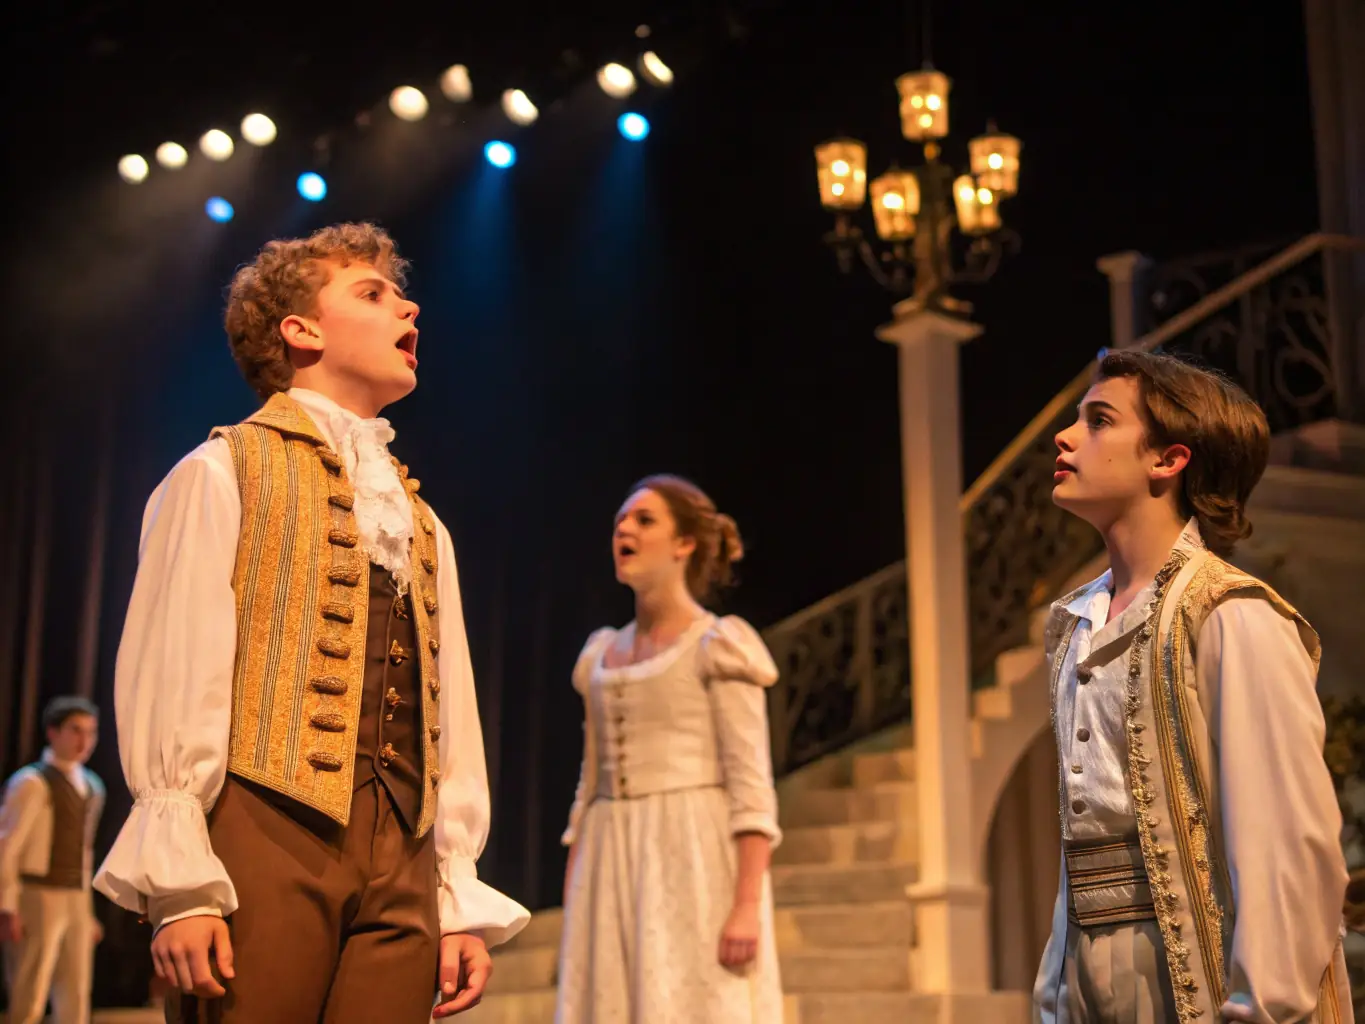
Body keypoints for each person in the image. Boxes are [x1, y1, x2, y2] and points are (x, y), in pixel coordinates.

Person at [93, 222, 528, 1023]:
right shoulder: (222, 470)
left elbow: (447, 710)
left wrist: (452, 892)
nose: (410, 308)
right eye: (373, 293)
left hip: (404, 855)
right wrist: (184, 887)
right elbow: (174, 668)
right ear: (300, 331)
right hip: (264, 834)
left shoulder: (421, 521)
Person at [1032, 349, 1352, 1024]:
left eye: (1097, 421)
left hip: (1191, 975)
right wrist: (1055, 992)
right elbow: (1081, 849)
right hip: (1090, 980)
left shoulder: (1229, 614)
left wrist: (1261, 1002)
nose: (1063, 437)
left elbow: (1283, 838)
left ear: (1167, 460)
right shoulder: (1073, 627)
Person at [555, 474, 784, 1023]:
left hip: (692, 855)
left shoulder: (717, 645)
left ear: (684, 544)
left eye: (644, 519)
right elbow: (589, 784)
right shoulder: (600, 656)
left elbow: (752, 785)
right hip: (609, 853)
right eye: (619, 523)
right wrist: (574, 896)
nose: (624, 530)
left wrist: (747, 907)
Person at [0, 696, 104, 1024]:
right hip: (38, 893)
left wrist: (87, 913)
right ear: (53, 732)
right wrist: (7, 906)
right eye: (75, 730)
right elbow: (8, 846)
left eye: (90, 732)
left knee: (75, 988)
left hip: (73, 895)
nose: (83, 741)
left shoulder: (91, 785)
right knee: (30, 987)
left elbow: (83, 852)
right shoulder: (31, 782)